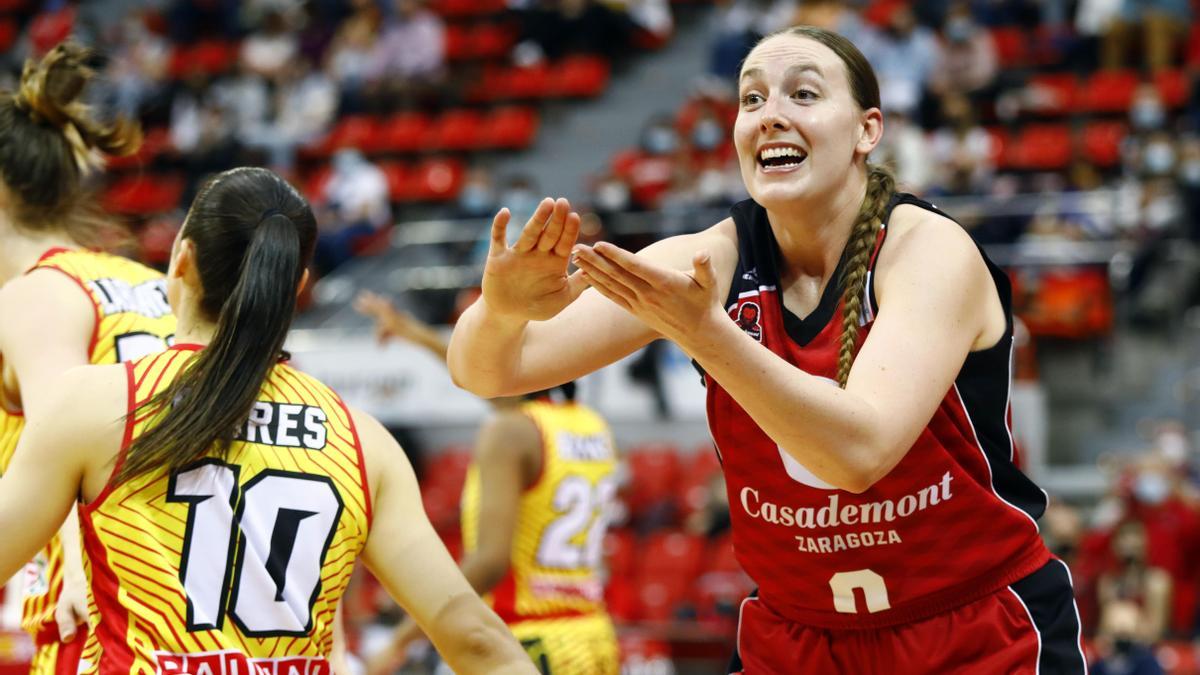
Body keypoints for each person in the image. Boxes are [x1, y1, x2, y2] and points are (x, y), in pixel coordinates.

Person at [448, 26, 1088, 673]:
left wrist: (706, 335)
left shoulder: (927, 251)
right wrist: (501, 309)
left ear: (867, 130)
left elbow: (857, 452)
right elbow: (487, 370)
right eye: (750, 100)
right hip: (796, 637)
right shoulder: (713, 258)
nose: (770, 115)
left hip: (973, 628)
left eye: (803, 94)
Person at [0, 167, 537, 675]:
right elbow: (477, 641)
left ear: (182, 259)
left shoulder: (96, 403)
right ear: (297, 283)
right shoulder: (362, 441)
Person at [0, 42, 177, 675]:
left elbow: (63, 438)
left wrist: (77, 566)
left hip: (100, 607)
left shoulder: (32, 295)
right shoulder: (155, 282)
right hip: (190, 607)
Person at [354, 291, 621, 675]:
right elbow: (491, 382)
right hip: (592, 635)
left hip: (526, 642)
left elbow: (490, 563)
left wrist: (401, 639)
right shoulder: (591, 425)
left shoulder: (509, 432)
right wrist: (412, 333)